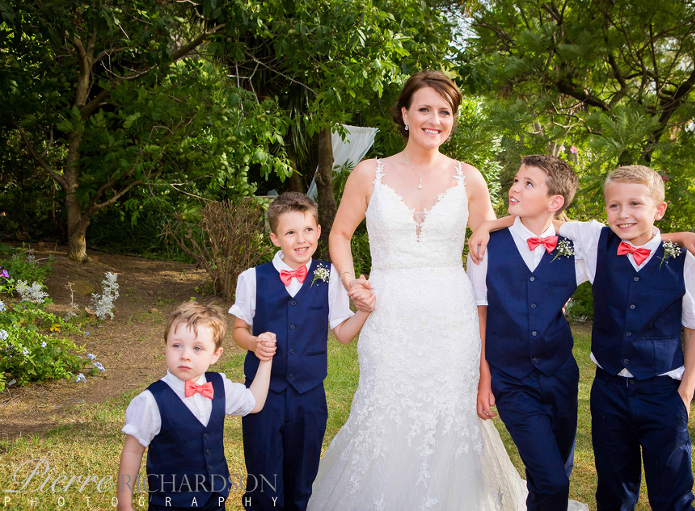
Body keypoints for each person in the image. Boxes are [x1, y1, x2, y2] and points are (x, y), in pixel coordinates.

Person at [308, 70, 537, 510]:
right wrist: (352, 281)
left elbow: (496, 232)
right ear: (405, 114)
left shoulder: (468, 177)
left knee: (450, 414)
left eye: (445, 112)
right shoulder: (368, 173)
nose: (435, 119)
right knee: (384, 406)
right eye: (425, 109)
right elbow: (338, 234)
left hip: (452, 317)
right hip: (388, 314)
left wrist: (667, 238)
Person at [559, 166, 695, 510]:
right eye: (614, 205)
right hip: (609, 391)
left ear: (658, 210)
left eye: (635, 203)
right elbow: (543, 224)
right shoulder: (596, 242)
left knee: (672, 491)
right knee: (614, 490)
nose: (623, 213)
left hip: (663, 390)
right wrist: (486, 226)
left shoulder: (684, 262)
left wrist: (686, 391)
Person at [229, 192, 374, 511]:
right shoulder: (252, 279)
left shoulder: (328, 275)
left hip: (309, 397)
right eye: (290, 232)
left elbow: (343, 333)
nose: (301, 239)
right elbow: (239, 331)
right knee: (264, 485)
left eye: (308, 230)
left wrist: (363, 311)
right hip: (262, 396)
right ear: (274, 237)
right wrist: (254, 343)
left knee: (301, 482)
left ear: (319, 231)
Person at [467, 155, 588, 511]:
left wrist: (681, 237)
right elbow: (480, 313)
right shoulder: (487, 246)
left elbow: (628, 238)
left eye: (528, 183)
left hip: (561, 375)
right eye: (516, 180)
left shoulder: (576, 249)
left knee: (554, 472)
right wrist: (484, 377)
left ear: (555, 202)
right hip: (511, 379)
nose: (515, 187)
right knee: (552, 479)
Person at [117, 301, 273, 511]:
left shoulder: (219, 386)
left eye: (197, 348)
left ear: (215, 355)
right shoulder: (151, 400)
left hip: (215, 500)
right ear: (165, 345)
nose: (185, 355)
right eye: (176, 345)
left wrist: (266, 359)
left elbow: (254, 403)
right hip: (170, 503)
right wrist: (124, 506)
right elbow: (133, 452)